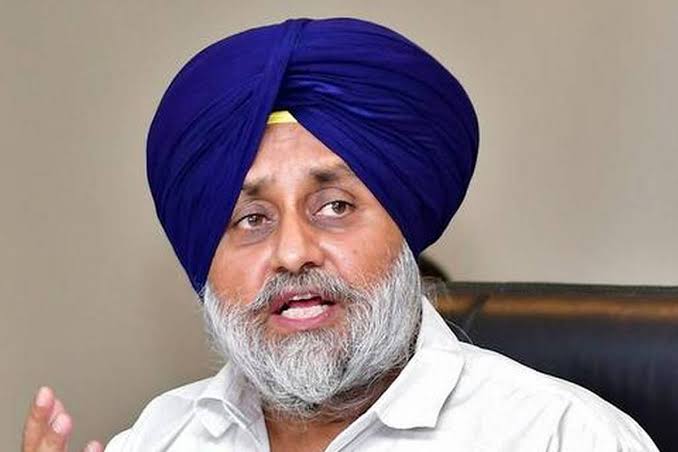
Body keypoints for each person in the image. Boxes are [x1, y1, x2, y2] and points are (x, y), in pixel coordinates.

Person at [22, 17, 659, 452]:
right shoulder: (161, 438)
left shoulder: (561, 436)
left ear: (403, 233)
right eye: (251, 219)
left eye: (334, 206)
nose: (293, 252)